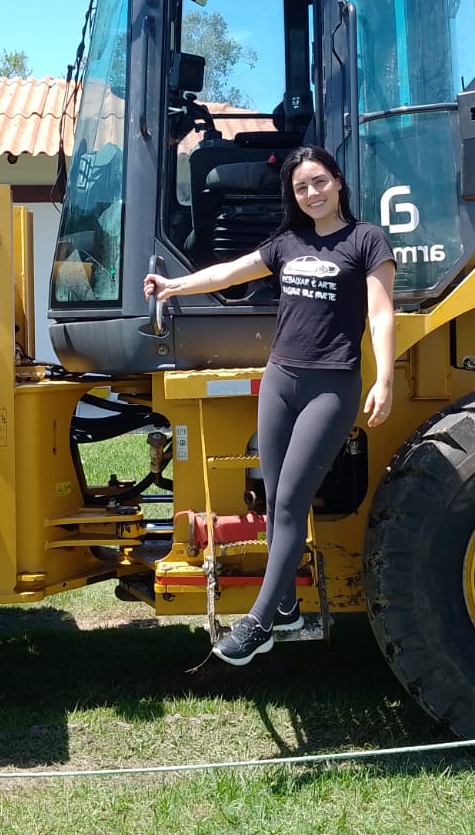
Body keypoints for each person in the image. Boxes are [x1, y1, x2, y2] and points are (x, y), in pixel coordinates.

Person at [144, 145, 396, 666]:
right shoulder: (287, 242)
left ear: (338, 182)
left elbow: (381, 312)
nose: (312, 193)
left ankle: (258, 623)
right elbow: (229, 274)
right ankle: (286, 610)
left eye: (319, 182)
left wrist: (385, 377)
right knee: (274, 498)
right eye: (302, 187)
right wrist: (174, 286)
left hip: (332, 387)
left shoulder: (366, 240)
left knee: (288, 504)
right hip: (281, 378)